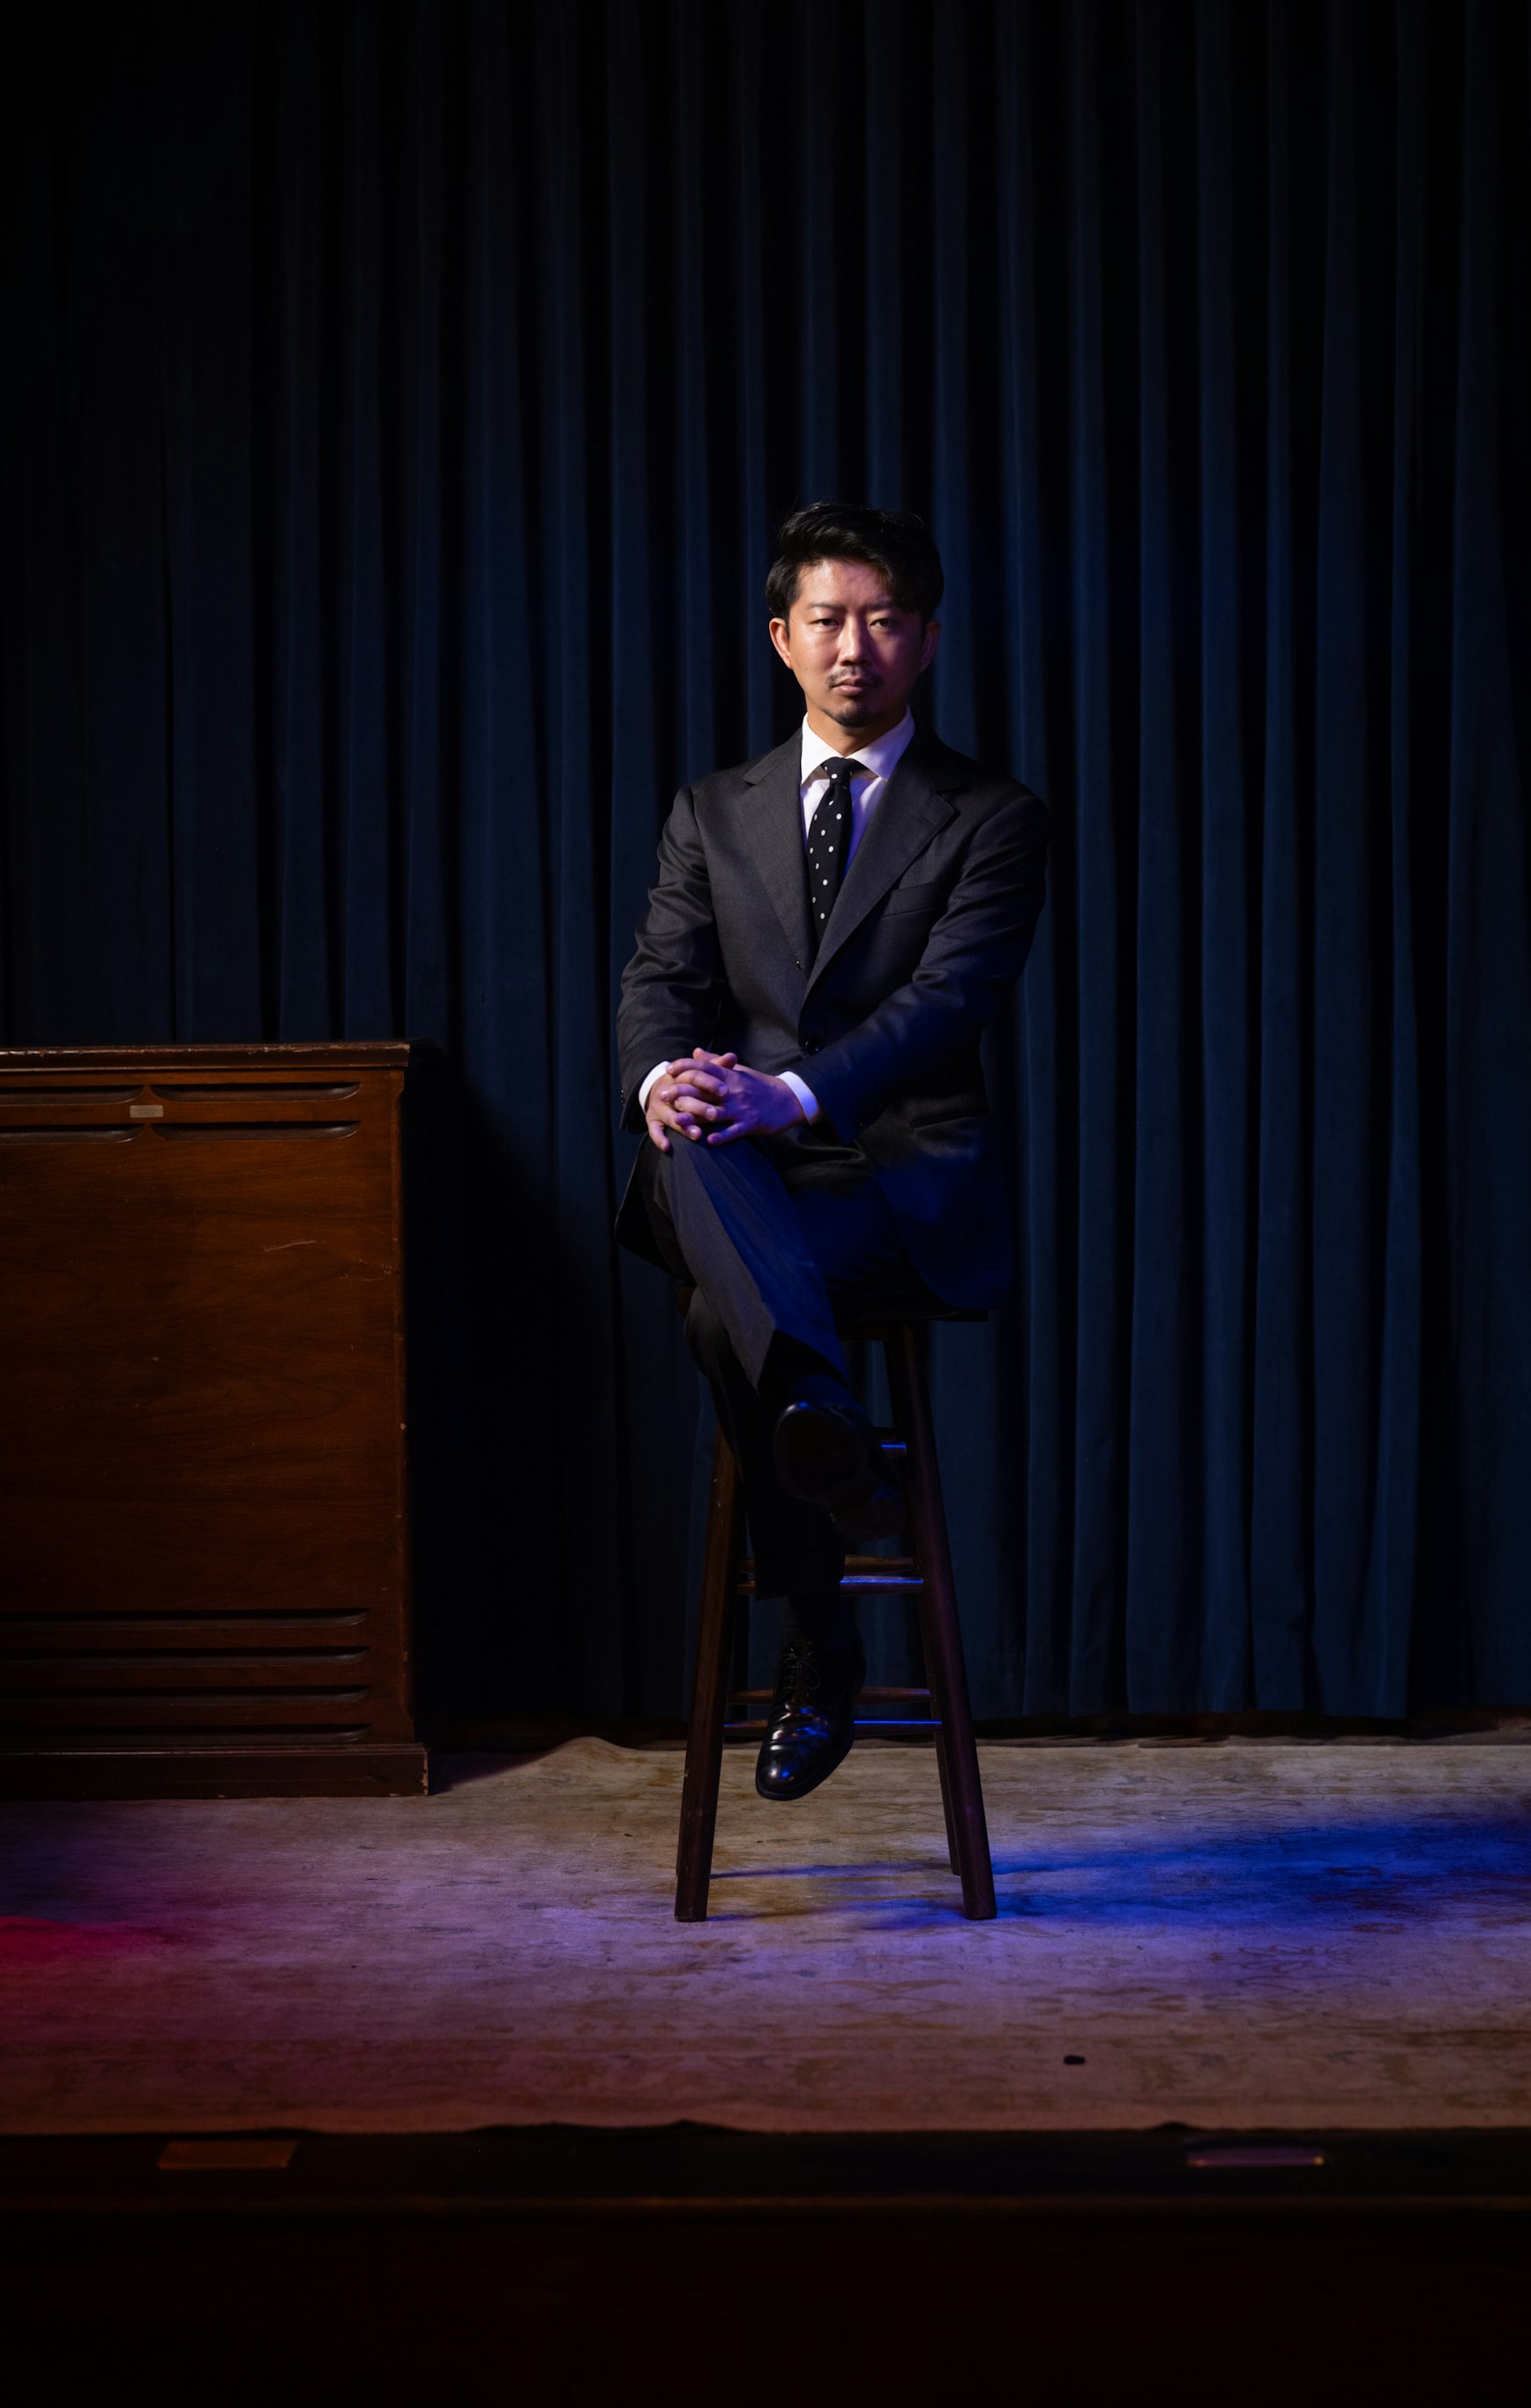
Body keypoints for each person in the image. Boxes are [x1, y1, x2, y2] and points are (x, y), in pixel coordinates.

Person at [616, 503, 1048, 1803]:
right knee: (691, 1139)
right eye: (827, 621)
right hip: (737, 1173)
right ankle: (824, 1421)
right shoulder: (713, 809)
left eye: (883, 620)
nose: (854, 647)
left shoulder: (992, 816)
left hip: (894, 1179)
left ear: (926, 640)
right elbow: (660, 980)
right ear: (781, 638)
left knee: (720, 1319)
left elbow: (949, 1005)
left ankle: (819, 1636)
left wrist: (791, 1094)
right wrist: (666, 1081)